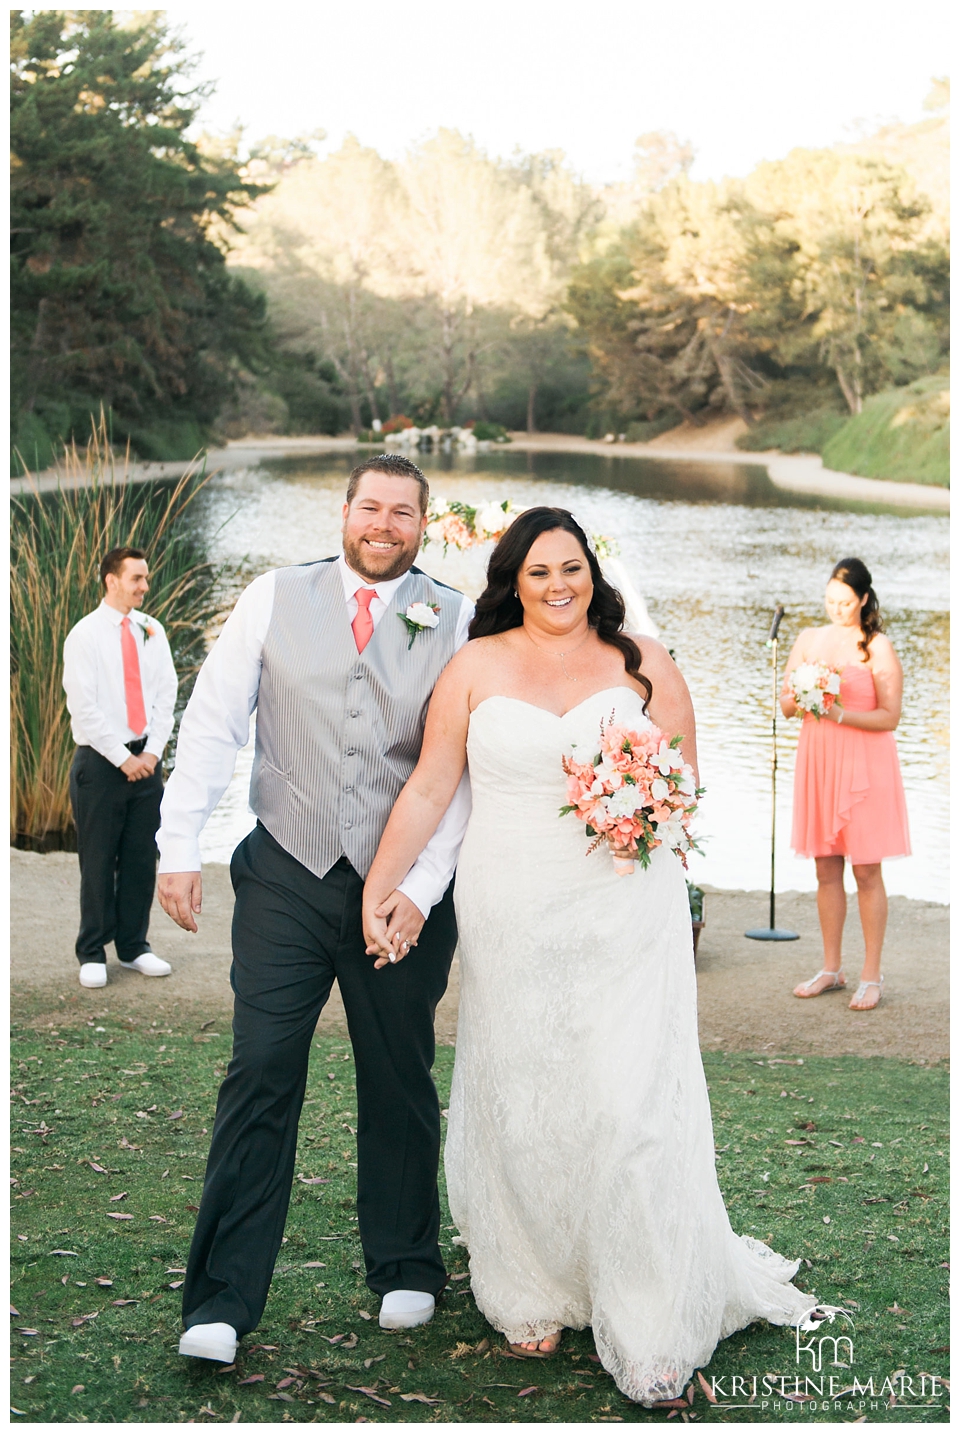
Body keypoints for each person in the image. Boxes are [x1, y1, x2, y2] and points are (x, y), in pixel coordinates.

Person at [362, 507, 816, 1406]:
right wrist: (384, 884)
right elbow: (429, 785)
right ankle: (534, 1281)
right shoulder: (473, 666)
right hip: (512, 906)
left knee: (629, 1101)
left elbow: (683, 769)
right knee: (525, 1092)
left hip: (624, 907)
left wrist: (650, 811)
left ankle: (649, 1315)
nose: (558, 585)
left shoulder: (639, 658)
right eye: (537, 573)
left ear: (591, 570)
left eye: (570, 567)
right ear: (512, 582)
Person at [156, 454, 474, 1367]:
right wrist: (178, 846)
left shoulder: (455, 620)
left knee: (399, 1070)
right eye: (369, 507)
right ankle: (221, 1298)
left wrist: (417, 892)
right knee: (259, 1068)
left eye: (402, 512)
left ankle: (406, 1264)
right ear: (343, 513)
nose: (384, 523)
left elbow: (456, 778)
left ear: (423, 524)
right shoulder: (270, 597)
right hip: (285, 874)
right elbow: (214, 721)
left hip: (398, 888)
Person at [782, 557, 910, 1012]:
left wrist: (840, 712)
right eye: (830, 600)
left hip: (863, 765)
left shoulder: (876, 647)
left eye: (845, 602)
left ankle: (871, 975)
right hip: (819, 760)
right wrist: (807, 691)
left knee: (867, 870)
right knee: (825, 868)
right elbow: (785, 706)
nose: (836, 609)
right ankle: (831, 968)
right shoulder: (808, 639)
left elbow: (890, 717)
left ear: (863, 600)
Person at [62, 546, 177, 989]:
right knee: (97, 858)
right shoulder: (84, 636)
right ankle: (92, 950)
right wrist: (123, 758)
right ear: (112, 581)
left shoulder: (153, 630)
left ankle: (133, 947)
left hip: (146, 766)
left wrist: (151, 754)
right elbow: (84, 709)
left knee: (139, 858)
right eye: (137, 579)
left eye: (146, 578)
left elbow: (167, 694)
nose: (145, 587)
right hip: (101, 764)